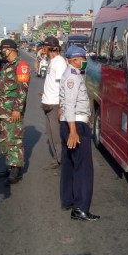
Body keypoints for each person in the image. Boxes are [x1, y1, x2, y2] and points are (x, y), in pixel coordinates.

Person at [0, 39, 30, 185]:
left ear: (10, 49)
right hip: (1, 110)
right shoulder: (6, 66)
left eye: (3, 49)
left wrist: (17, 109)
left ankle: (16, 172)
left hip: (12, 111)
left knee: (14, 139)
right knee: (3, 138)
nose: (1, 51)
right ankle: (10, 166)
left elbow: (22, 90)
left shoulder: (21, 66)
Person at [59, 45, 99, 221]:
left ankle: (69, 200)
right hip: (75, 124)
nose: (85, 62)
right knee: (83, 169)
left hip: (68, 123)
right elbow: (69, 104)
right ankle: (80, 208)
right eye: (83, 59)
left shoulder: (70, 75)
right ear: (74, 60)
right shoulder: (73, 78)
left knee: (69, 164)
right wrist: (73, 131)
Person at [40, 36, 67, 168]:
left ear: (50, 48)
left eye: (44, 46)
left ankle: (61, 160)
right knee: (50, 133)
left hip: (55, 104)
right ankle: (56, 158)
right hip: (47, 102)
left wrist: (61, 106)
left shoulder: (60, 62)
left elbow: (63, 85)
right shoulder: (52, 61)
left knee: (56, 135)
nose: (42, 49)